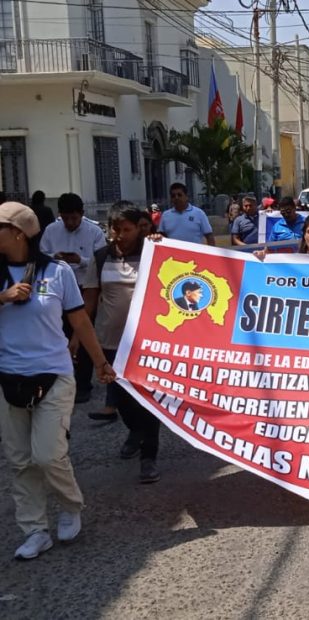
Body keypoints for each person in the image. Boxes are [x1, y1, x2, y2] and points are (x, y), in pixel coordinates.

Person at [0, 201, 115, 560]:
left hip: (53, 373)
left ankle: (70, 506)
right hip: (8, 376)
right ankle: (35, 530)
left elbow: (79, 320)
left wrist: (100, 363)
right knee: (20, 460)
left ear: (18, 233)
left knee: (48, 454)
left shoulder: (57, 272)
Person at [81, 202, 161, 483]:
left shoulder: (154, 254)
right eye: (115, 229)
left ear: (138, 229)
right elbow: (88, 303)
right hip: (111, 343)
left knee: (149, 401)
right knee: (123, 399)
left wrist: (160, 246)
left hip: (147, 343)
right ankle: (134, 430)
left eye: (126, 229)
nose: (120, 235)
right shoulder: (101, 258)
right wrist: (77, 338)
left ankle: (149, 457)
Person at [40, 192, 107, 404]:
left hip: (84, 286)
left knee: (84, 333)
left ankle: (83, 382)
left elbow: (101, 260)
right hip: (56, 286)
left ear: (82, 214)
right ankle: (59, 377)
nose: (70, 222)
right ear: (60, 215)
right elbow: (41, 255)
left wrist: (81, 260)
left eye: (74, 218)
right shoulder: (51, 230)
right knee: (59, 333)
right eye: (66, 218)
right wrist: (55, 258)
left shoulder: (94, 231)